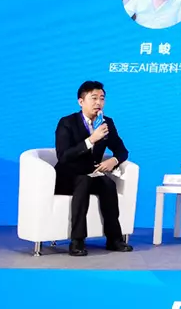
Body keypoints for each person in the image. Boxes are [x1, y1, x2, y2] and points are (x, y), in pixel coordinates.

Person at [53, 81, 133, 257]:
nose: (98, 103)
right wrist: (91, 140)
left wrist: (113, 161)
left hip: (91, 174)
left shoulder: (106, 123)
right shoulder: (67, 122)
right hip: (67, 176)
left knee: (108, 185)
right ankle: (77, 241)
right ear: (81, 101)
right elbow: (63, 156)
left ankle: (114, 239)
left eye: (102, 99)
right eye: (94, 98)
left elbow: (122, 150)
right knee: (83, 182)